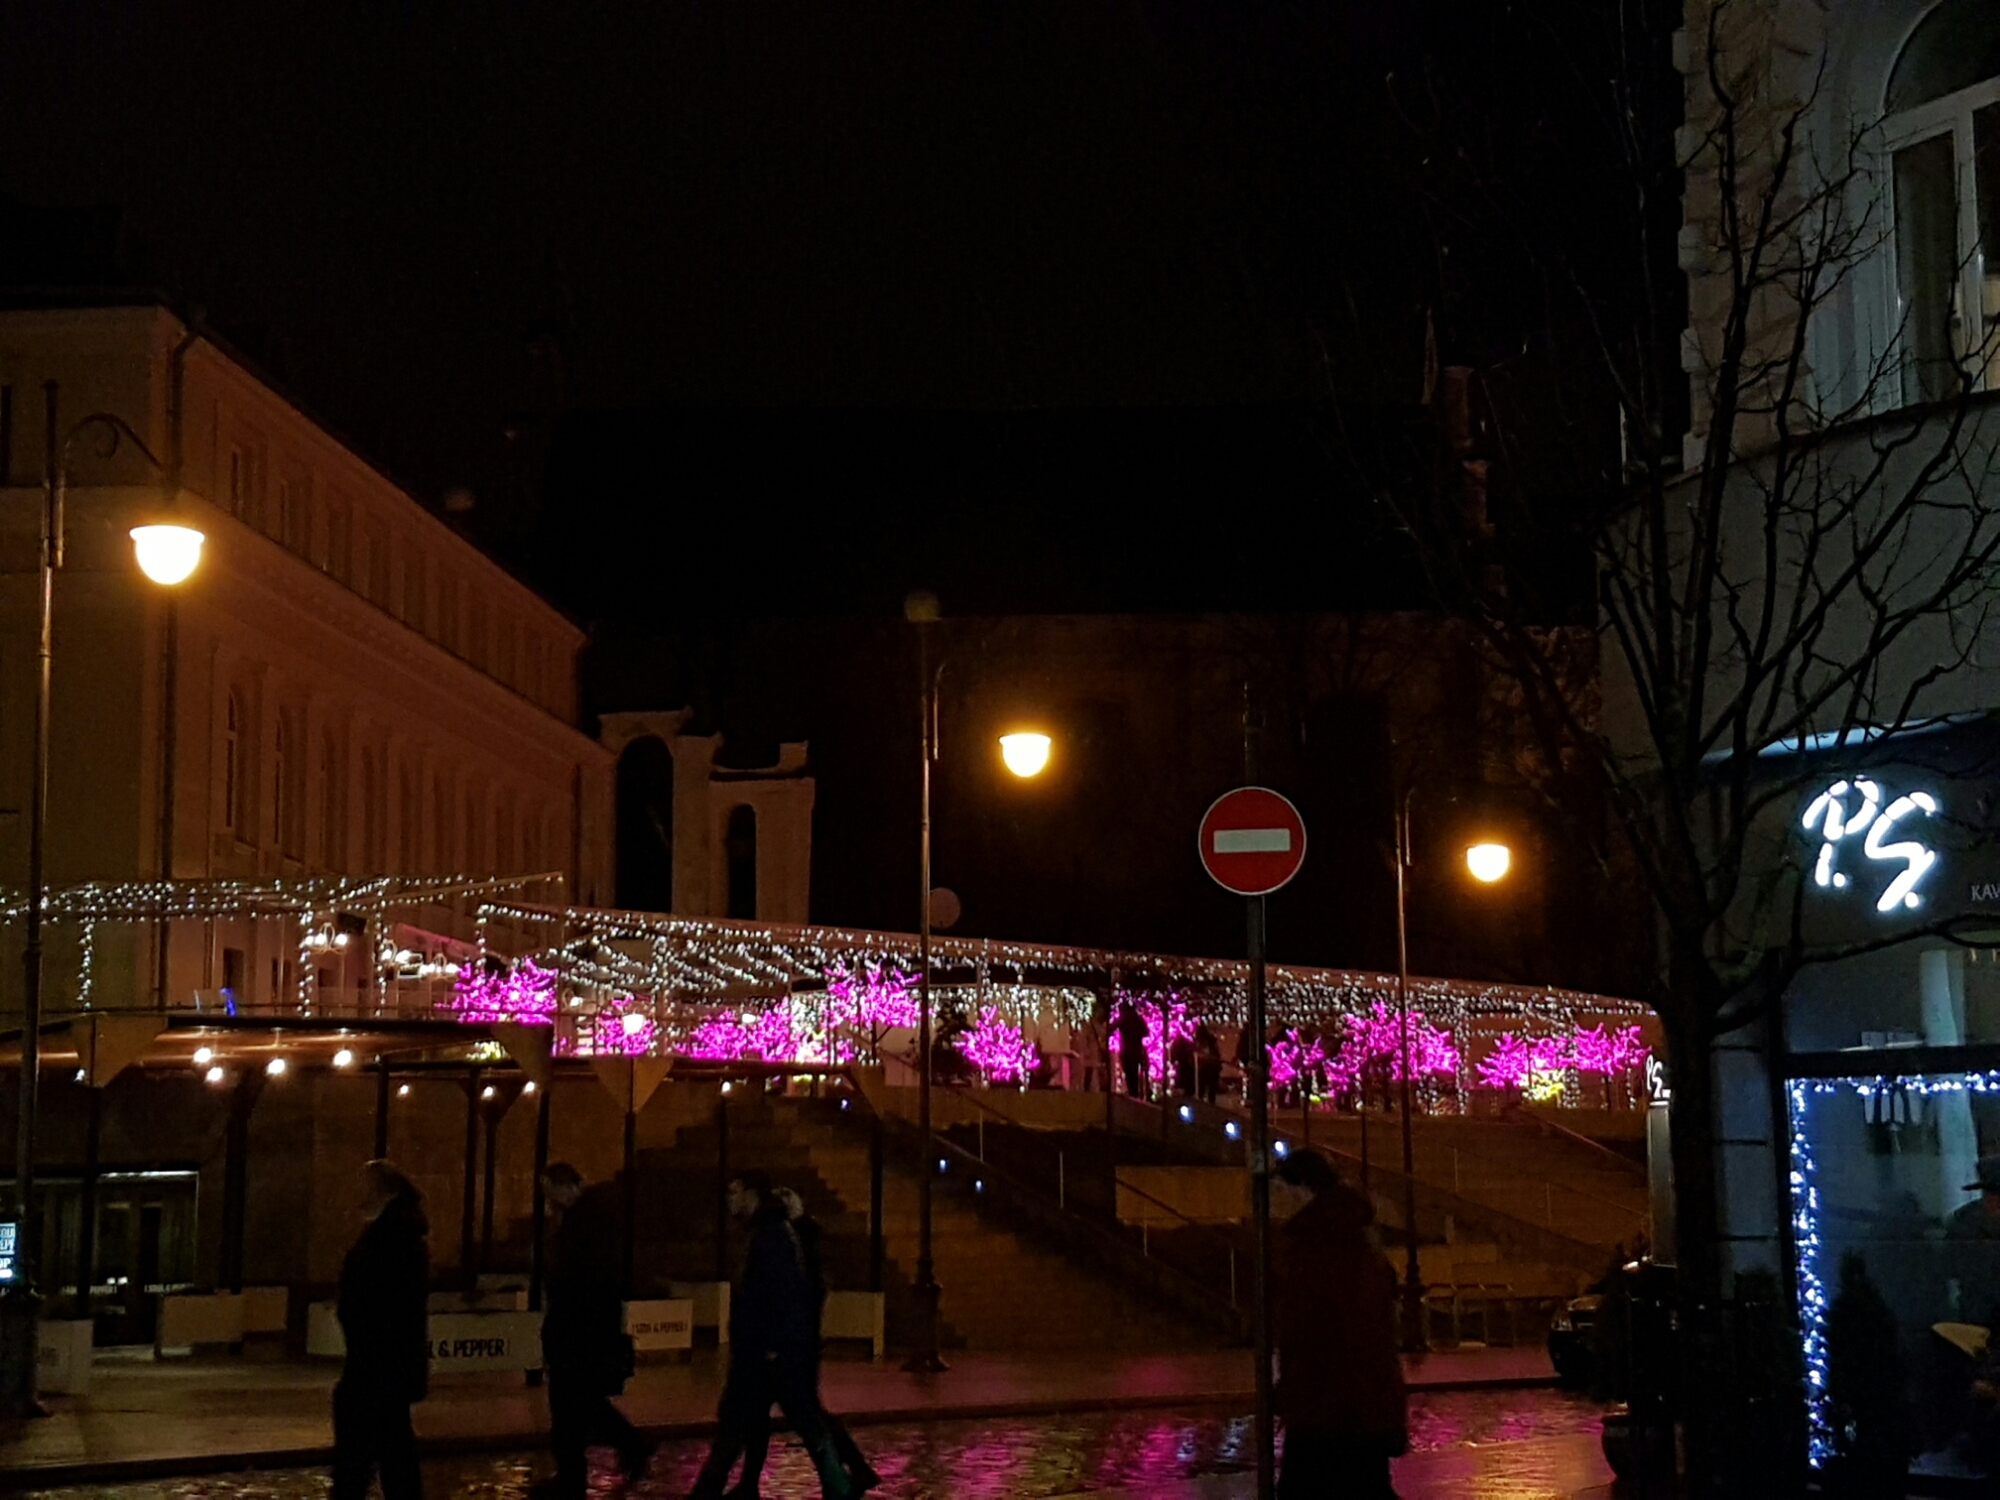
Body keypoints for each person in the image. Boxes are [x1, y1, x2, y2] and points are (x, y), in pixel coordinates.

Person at [687, 1171, 855, 1500]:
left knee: (744, 1426)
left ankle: (710, 1491)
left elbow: (780, 1294)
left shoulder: (770, 1236)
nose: (729, 1200)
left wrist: (772, 1345)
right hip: (768, 1351)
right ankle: (835, 1485)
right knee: (771, 1423)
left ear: (752, 1195)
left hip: (765, 1354)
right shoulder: (769, 1232)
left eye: (735, 1192)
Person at [729, 1186, 881, 1499]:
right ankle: (844, 1475)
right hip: (791, 1345)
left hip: (789, 1348)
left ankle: (843, 1478)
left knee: (806, 1419)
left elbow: (792, 1296)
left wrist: (781, 1341)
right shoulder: (796, 1242)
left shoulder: (789, 1243)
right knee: (790, 1417)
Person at [1272, 1149, 1406, 1499]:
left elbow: (1314, 1326)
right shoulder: (1352, 1234)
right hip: (1352, 1404)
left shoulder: (1322, 1242)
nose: (1277, 1204)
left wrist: (1294, 1387)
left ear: (1303, 1188)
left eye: (1281, 1192)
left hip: (1330, 1406)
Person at [537, 1162, 649, 1500]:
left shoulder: (585, 1225)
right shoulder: (590, 1221)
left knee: (572, 1405)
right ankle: (620, 1451)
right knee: (579, 1405)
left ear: (566, 1187)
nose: (549, 1202)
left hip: (579, 1332)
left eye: (551, 1193)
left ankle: (581, 1471)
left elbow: (581, 1281)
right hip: (582, 1331)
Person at [332, 1159, 430, 1500]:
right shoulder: (398, 1235)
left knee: (371, 1452)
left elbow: (384, 1305)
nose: (357, 1197)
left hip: (378, 1364)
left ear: (382, 1192)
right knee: (391, 1450)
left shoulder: (390, 1240)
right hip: (382, 1365)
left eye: (364, 1189)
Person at [1949, 1157, 2000, 1330]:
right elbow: (1953, 1268)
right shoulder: (1964, 1221)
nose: (1995, 1200)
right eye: (1991, 1193)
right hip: (1978, 1317)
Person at [1114, 1000, 1149, 1098]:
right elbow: (1146, 1032)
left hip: (1127, 1051)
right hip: (1136, 1051)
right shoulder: (1138, 1018)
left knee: (1130, 1074)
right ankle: (1135, 1094)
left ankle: (1133, 1093)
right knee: (1134, 1074)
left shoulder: (1124, 1019)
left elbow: (1113, 1027)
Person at [1195, 1023, 1223, 1105]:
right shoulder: (1211, 1041)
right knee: (1210, 1088)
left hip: (1207, 1066)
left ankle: (1203, 1102)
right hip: (1211, 1066)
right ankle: (1209, 1103)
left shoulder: (1203, 1042)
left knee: (1204, 1087)